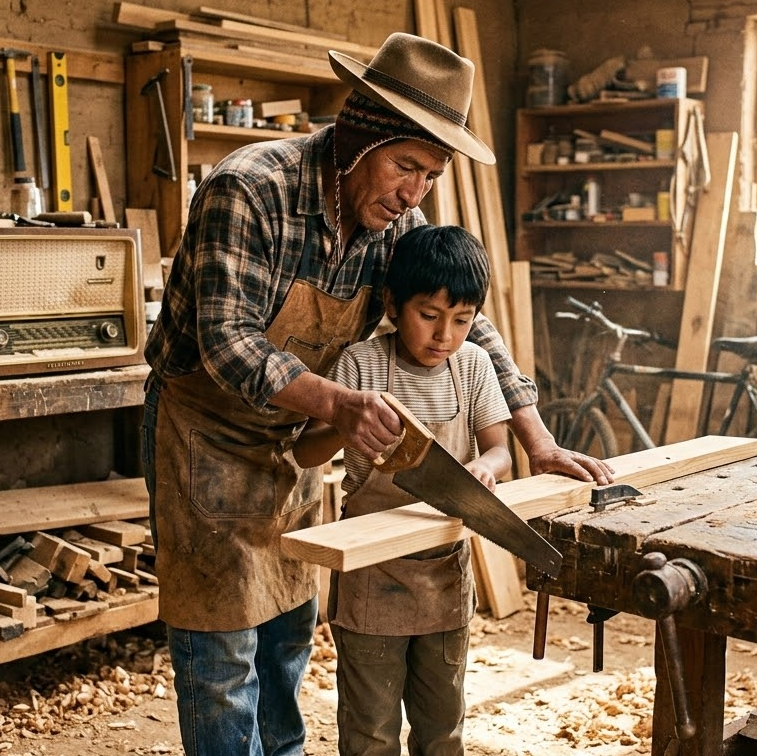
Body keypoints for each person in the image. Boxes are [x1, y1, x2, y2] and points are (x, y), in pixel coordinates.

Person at [141, 31, 614, 756]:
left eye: (429, 176)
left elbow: (473, 325)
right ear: (356, 136)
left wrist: (533, 437)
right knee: (221, 642)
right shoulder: (249, 188)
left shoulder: (398, 222)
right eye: (403, 167)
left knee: (287, 625)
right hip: (205, 433)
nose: (411, 193)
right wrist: (337, 405)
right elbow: (226, 342)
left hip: (290, 441)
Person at [294, 223, 512, 756]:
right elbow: (303, 453)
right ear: (393, 304)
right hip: (373, 575)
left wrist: (485, 468)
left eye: (462, 320)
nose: (445, 336)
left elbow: (502, 450)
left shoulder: (476, 366)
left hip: (444, 568)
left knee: (442, 729)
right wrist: (346, 423)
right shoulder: (361, 364)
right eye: (429, 316)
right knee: (370, 732)